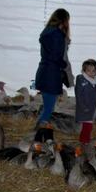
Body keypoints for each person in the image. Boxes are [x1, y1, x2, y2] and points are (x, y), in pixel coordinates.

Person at [34, 8, 70, 137]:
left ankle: (39, 132)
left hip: (44, 71)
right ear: (64, 20)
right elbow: (56, 56)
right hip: (51, 74)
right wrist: (64, 64)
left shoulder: (46, 32)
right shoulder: (57, 35)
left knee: (47, 106)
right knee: (49, 109)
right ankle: (37, 135)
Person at [74, 59, 96, 146]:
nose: (91, 73)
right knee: (87, 126)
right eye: (88, 70)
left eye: (94, 71)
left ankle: (85, 140)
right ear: (84, 71)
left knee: (89, 126)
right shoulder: (81, 81)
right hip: (85, 109)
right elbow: (78, 95)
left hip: (94, 108)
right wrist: (83, 107)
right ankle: (84, 141)